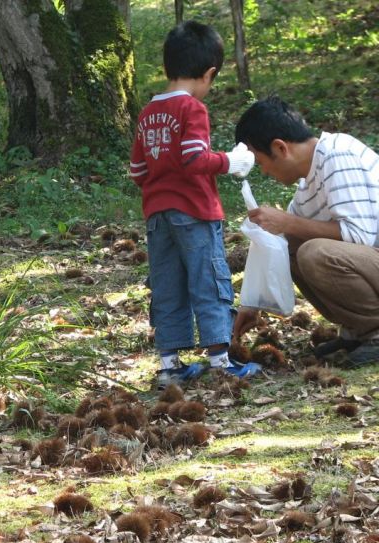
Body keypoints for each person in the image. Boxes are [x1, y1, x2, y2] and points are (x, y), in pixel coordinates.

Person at [130, 20, 261, 388]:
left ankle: (170, 365)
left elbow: (138, 170)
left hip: (157, 215)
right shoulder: (192, 110)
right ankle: (221, 361)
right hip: (196, 212)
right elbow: (193, 159)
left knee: (167, 284)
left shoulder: (148, 112)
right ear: (208, 73)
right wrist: (230, 162)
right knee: (209, 279)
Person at [232, 97, 379, 367]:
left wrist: (288, 222)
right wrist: (252, 304)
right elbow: (281, 243)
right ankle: (358, 331)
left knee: (314, 252)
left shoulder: (338, 154)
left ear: (280, 147)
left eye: (261, 162)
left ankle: (373, 331)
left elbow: (359, 237)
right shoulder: (308, 185)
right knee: (290, 247)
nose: (264, 171)